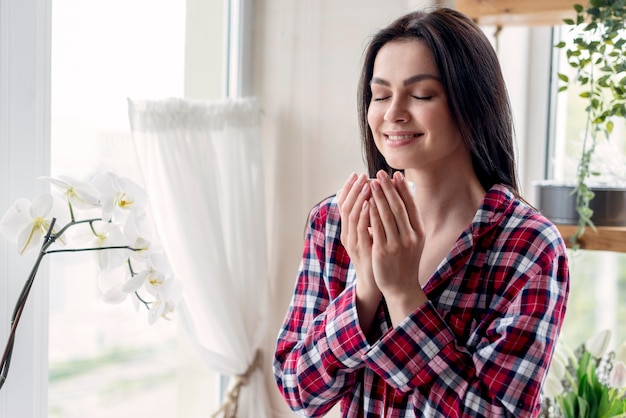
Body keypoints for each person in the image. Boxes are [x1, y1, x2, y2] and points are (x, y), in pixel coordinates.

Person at [273, 7, 569, 418]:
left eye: (421, 94)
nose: (393, 112)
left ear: (472, 103)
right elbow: (297, 390)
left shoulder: (529, 246)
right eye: (380, 95)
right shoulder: (337, 220)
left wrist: (402, 294)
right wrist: (364, 293)